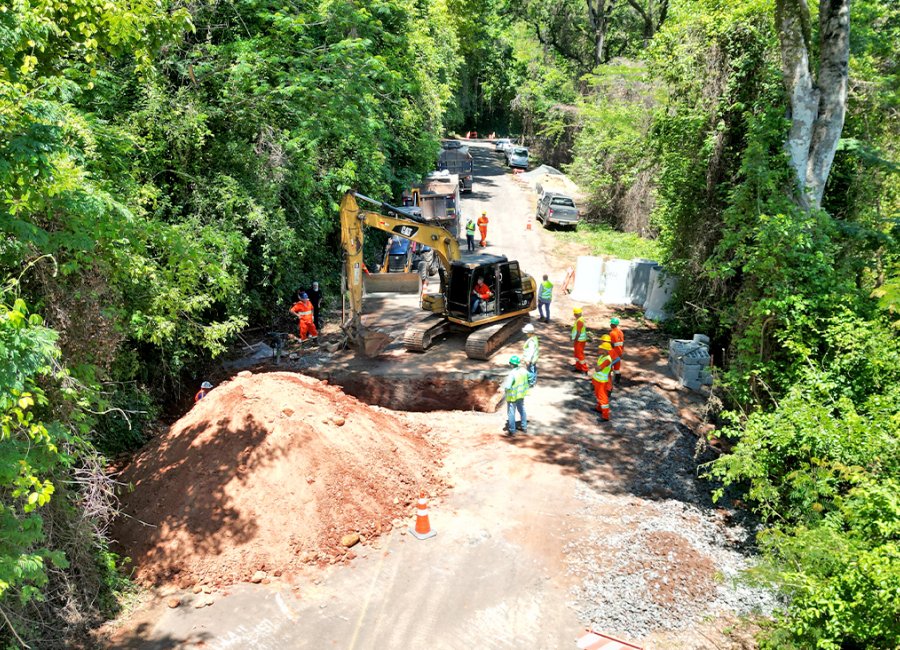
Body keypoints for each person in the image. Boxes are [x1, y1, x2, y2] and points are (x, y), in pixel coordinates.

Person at [502, 355, 529, 434]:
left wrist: (503, 389)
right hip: (521, 395)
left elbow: (508, 386)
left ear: (511, 364)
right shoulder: (523, 370)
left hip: (513, 396)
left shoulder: (512, 373)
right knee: (522, 410)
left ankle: (512, 431)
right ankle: (524, 427)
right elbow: (530, 376)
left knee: (511, 412)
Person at [592, 336, 614, 422]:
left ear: (605, 351)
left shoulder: (607, 359)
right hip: (598, 380)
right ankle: (599, 408)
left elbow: (598, 369)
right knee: (598, 395)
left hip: (601, 381)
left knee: (602, 397)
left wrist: (596, 367)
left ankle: (605, 416)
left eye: (601, 349)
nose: (599, 349)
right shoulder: (602, 356)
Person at [571, 307, 589, 373]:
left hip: (579, 340)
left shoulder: (579, 321)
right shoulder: (580, 319)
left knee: (580, 355)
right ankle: (578, 368)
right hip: (579, 340)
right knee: (577, 354)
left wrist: (575, 339)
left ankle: (584, 369)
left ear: (576, 314)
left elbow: (578, 332)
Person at [522, 323, 540, 387]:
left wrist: (528, 360)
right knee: (534, 370)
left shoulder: (531, 341)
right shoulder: (534, 338)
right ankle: (534, 381)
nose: (526, 334)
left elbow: (531, 351)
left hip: (531, 359)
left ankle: (531, 383)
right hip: (534, 359)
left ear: (529, 333)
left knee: (530, 371)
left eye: (527, 333)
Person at [609, 316, 625, 385]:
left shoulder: (612, 333)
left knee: (609, 365)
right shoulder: (620, 332)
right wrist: (621, 352)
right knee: (617, 368)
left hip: (614, 352)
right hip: (619, 352)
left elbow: (612, 344)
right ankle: (617, 381)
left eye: (611, 323)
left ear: (613, 325)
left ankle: (608, 381)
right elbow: (622, 343)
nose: (610, 325)